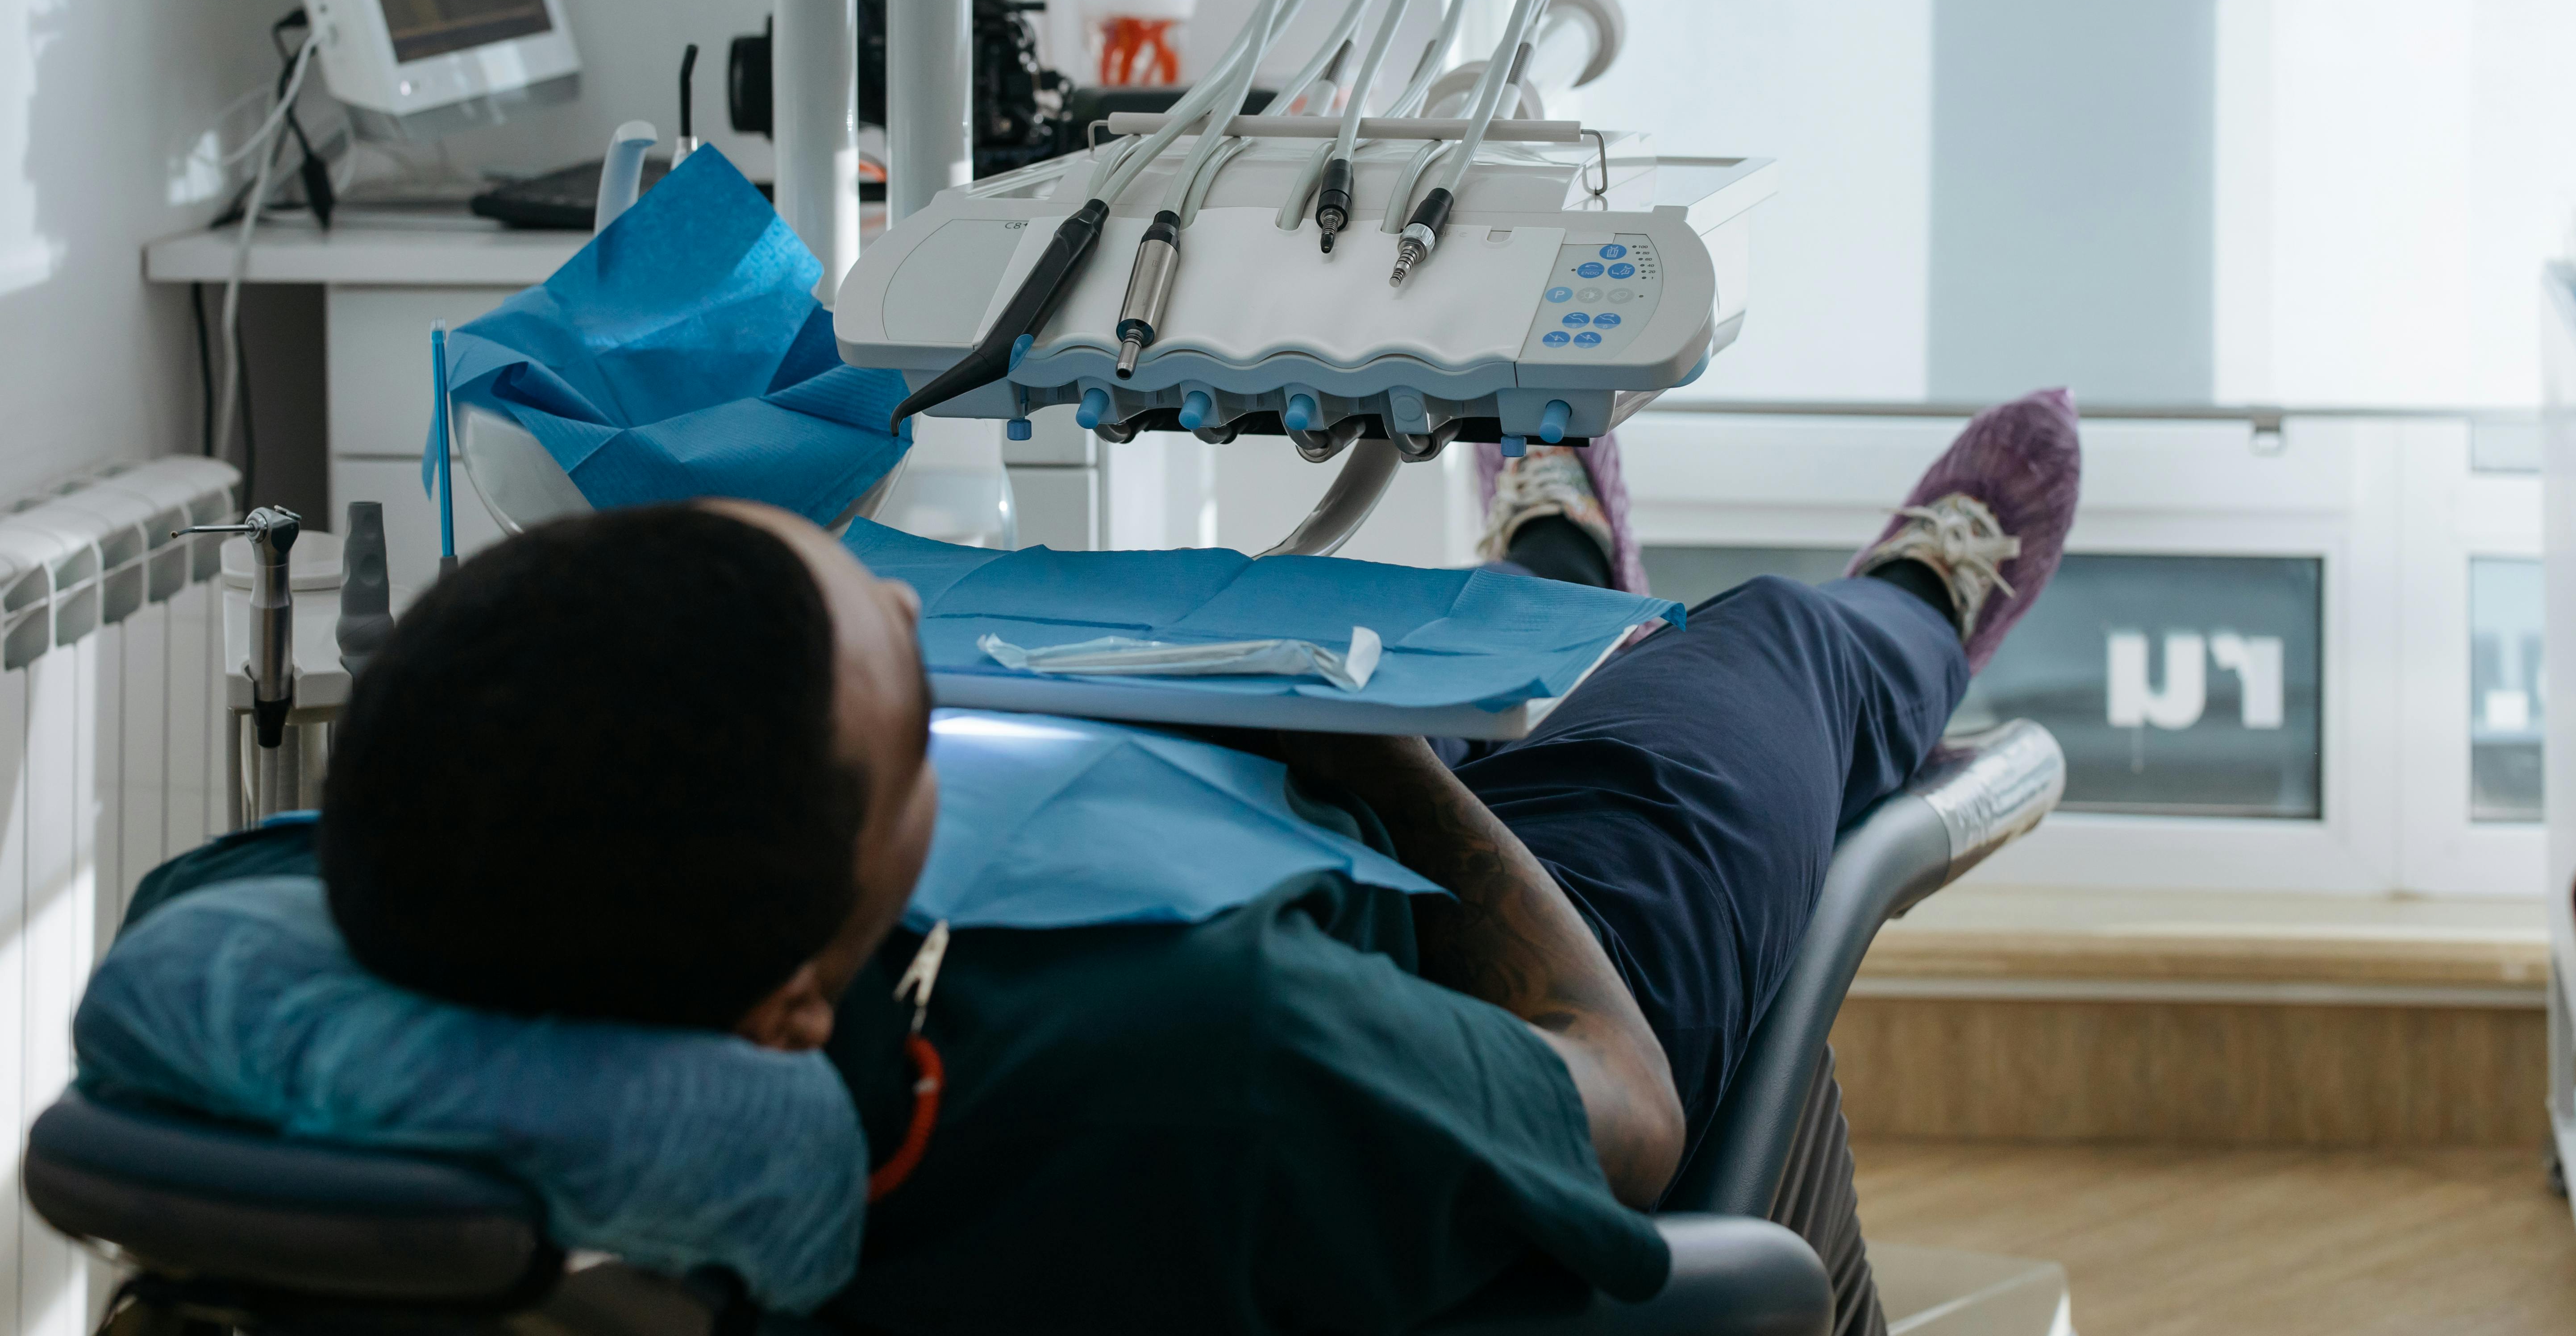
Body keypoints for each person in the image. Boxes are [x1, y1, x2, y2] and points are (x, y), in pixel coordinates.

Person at [127, 390, 2080, 1336]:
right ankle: (1906, 604)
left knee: (1606, 667)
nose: (908, 604)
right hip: (1437, 1038)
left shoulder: (294, 954)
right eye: (899, 686)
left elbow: (183, 933)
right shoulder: (1193, 1049)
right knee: (1738, 689)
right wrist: (1381, 759)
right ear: (794, 988)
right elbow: (1633, 1107)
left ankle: (1557, 561)